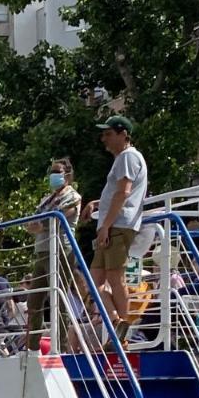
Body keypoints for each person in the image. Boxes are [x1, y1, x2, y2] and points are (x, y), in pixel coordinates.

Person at [82, 115, 149, 336]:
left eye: (109, 134)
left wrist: (105, 226)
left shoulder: (127, 157)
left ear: (123, 135)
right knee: (95, 280)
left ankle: (123, 332)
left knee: (114, 276)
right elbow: (121, 194)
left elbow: (124, 193)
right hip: (115, 224)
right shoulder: (126, 158)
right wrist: (97, 203)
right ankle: (116, 320)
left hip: (118, 225)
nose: (104, 139)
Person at [25, 158, 82, 349]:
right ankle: (32, 346)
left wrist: (39, 225)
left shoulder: (73, 196)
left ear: (67, 174)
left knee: (59, 298)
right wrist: (38, 225)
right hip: (42, 251)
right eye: (52, 171)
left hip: (60, 250)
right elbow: (32, 223)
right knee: (34, 300)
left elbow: (56, 219)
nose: (53, 175)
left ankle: (62, 347)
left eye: (57, 171)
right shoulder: (46, 199)